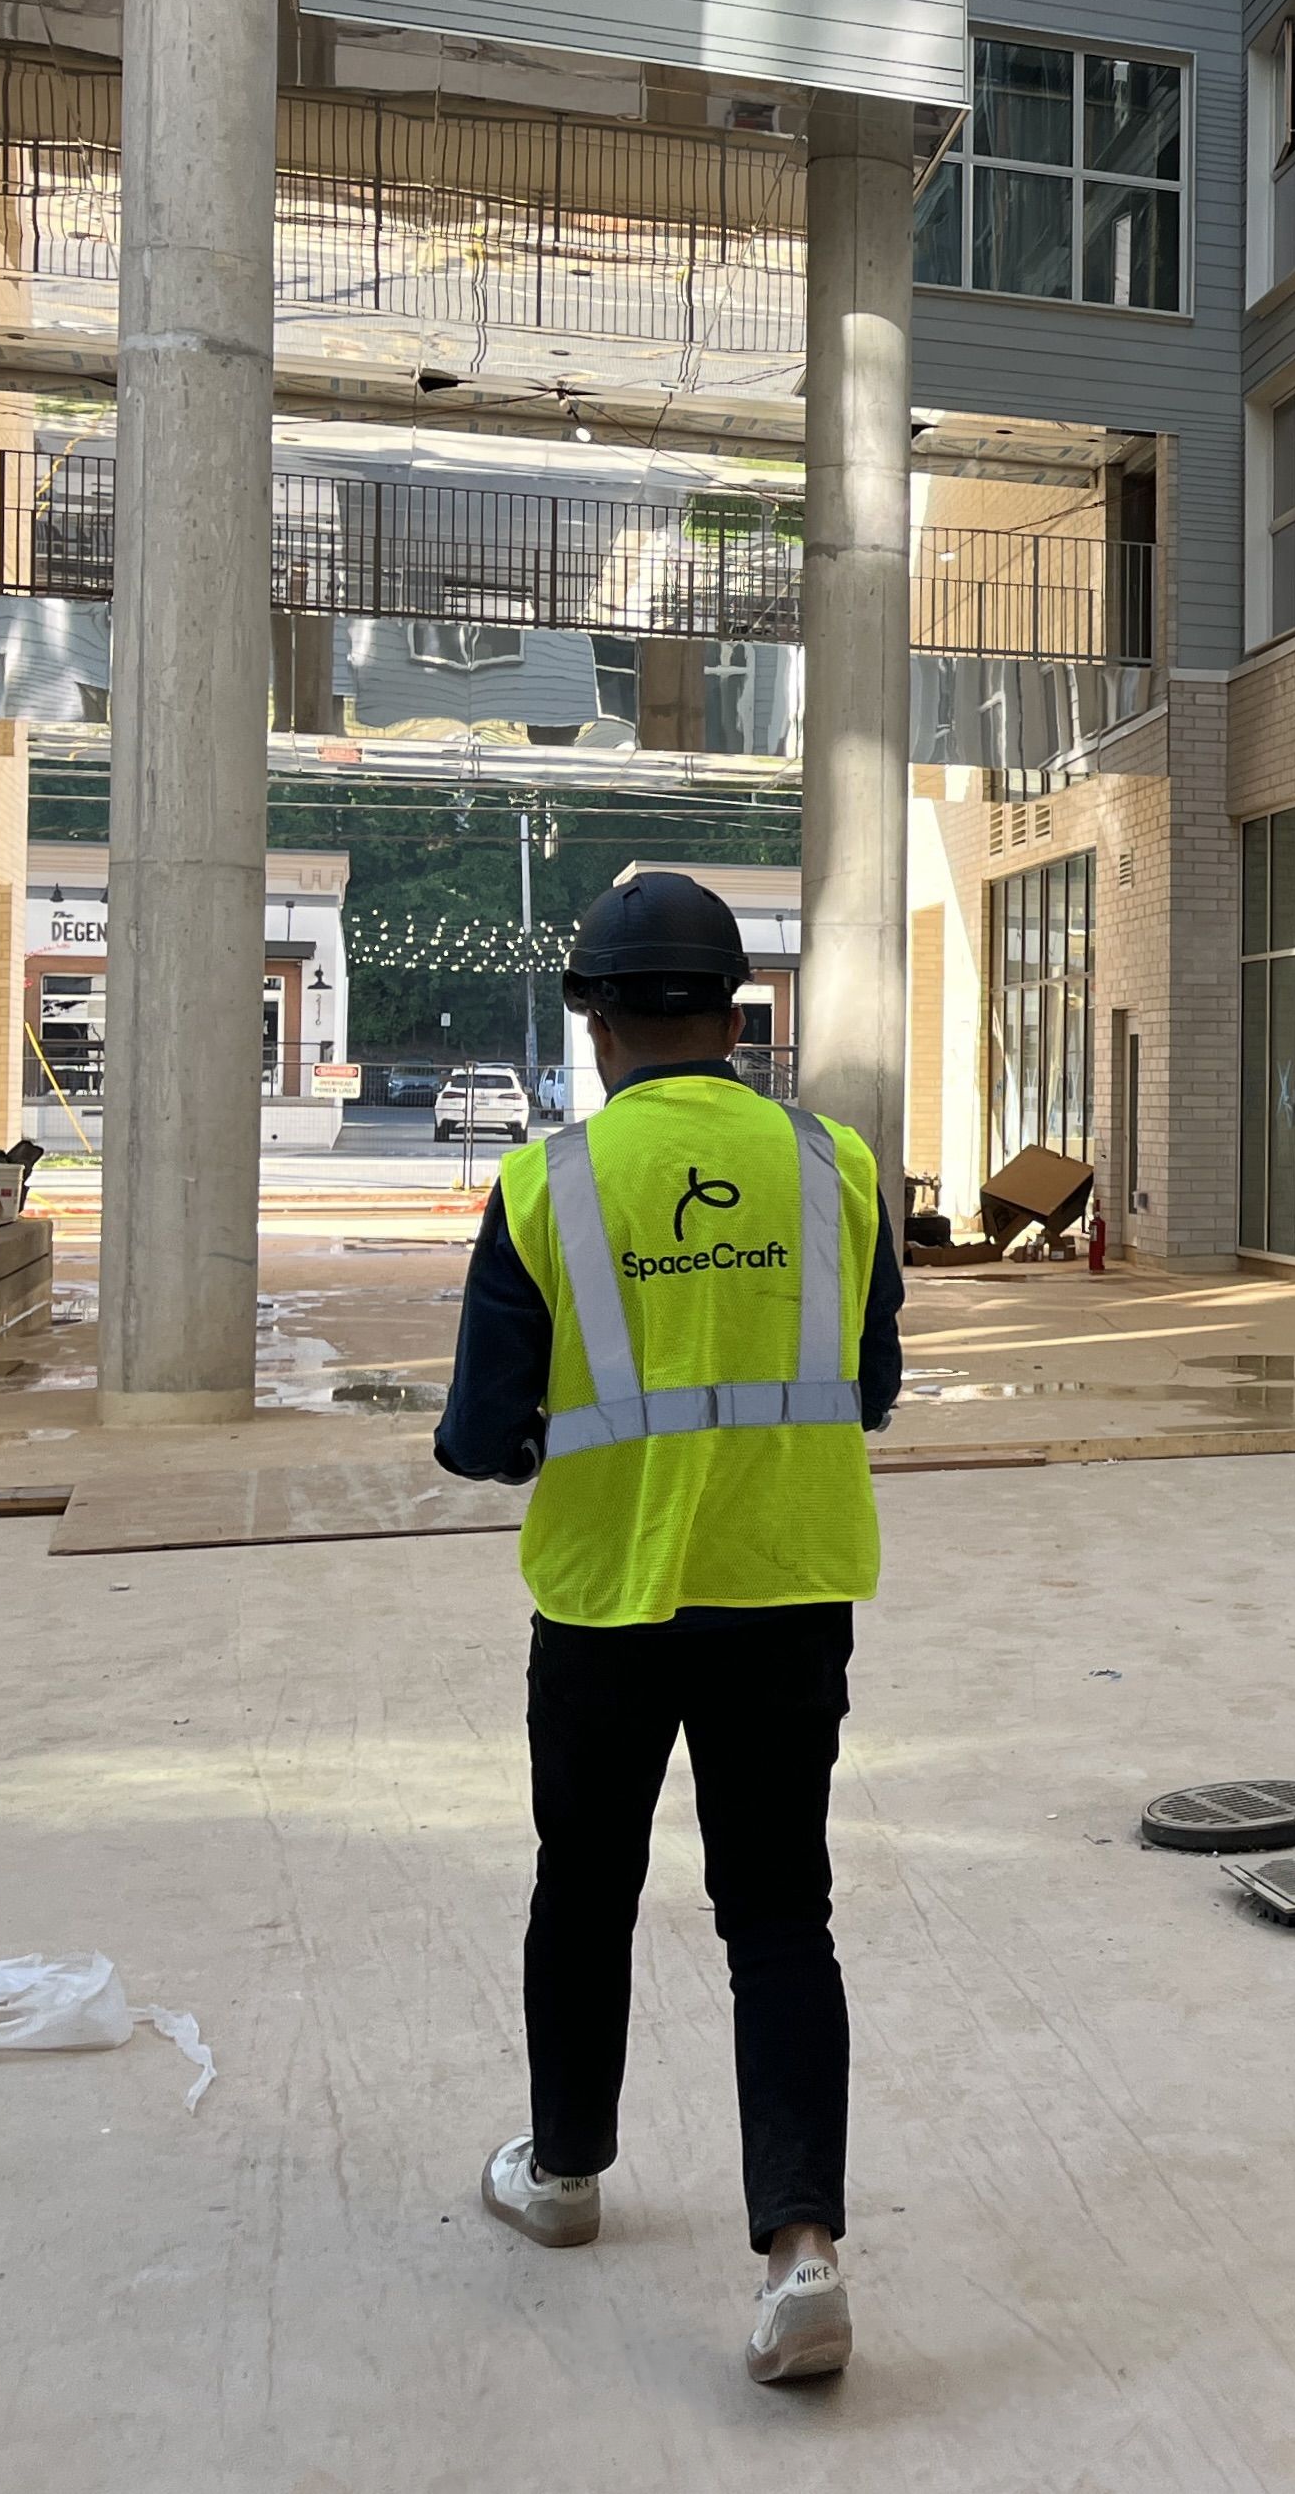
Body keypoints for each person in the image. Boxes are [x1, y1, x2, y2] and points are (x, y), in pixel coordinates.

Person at [432, 869, 906, 2385]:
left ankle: (564, 2176)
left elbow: (479, 1436)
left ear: (595, 1020)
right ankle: (803, 2257)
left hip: (608, 1603)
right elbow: (871, 1385)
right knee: (779, 1915)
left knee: (585, 1881)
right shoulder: (836, 1165)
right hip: (789, 1585)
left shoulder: (543, 1184)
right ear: (734, 1014)